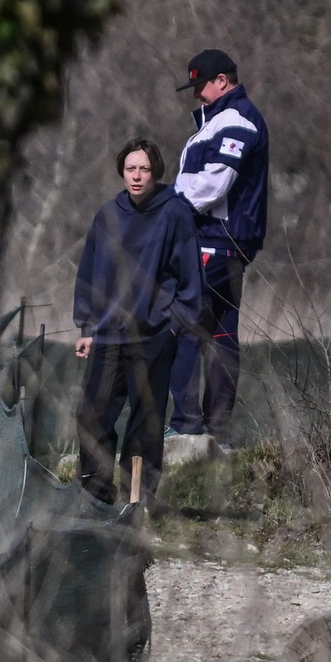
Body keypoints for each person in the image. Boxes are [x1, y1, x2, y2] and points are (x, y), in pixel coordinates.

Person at [73, 137, 204, 506]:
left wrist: (174, 324)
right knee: (92, 417)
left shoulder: (174, 212)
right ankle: (96, 500)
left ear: (155, 172)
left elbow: (191, 278)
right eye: (130, 168)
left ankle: (138, 503)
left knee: (144, 424)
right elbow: (89, 272)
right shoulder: (108, 214)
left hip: (153, 334)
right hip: (108, 335)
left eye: (144, 169)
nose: (137, 176)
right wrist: (87, 327)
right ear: (121, 171)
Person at [168, 49, 270, 446]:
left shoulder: (235, 120)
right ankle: (218, 431)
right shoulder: (219, 121)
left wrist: (168, 209)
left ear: (222, 81)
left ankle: (187, 425)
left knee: (182, 326)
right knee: (222, 333)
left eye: (200, 85)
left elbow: (213, 184)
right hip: (227, 245)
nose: (197, 94)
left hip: (215, 240)